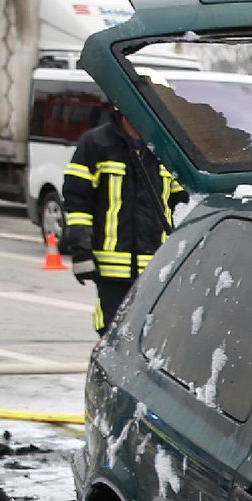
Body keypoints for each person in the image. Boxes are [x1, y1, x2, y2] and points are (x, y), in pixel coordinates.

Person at [61, 109, 186, 334]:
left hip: (158, 267)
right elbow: (77, 202)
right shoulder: (96, 144)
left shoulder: (167, 149)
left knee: (153, 338)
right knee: (112, 335)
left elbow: (183, 207)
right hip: (111, 269)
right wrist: (81, 252)